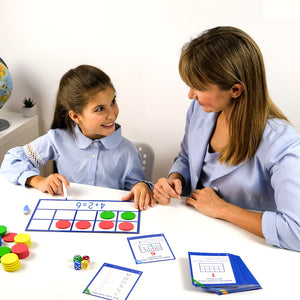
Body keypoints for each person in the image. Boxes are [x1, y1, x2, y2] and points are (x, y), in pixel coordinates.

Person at [153, 26, 300, 251]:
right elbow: (185, 156)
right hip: (195, 231)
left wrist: (222, 209)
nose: (190, 94)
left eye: (199, 87)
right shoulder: (200, 110)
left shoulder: (281, 142)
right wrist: (176, 179)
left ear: (236, 90)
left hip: (250, 247)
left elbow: (295, 232)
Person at [0, 65, 153, 210]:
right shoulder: (57, 139)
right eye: (99, 109)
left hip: (109, 219)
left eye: (112, 102)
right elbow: (12, 160)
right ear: (75, 116)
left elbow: (137, 188)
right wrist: (38, 181)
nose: (112, 115)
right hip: (68, 217)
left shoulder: (128, 151)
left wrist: (141, 187)